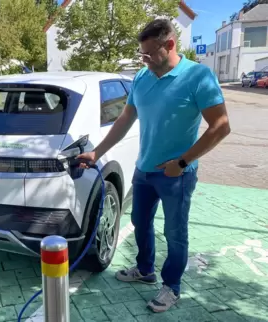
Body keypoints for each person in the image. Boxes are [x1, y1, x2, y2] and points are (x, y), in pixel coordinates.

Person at [76, 19, 230, 313]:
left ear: (169, 45)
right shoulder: (142, 79)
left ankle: (171, 286)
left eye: (148, 54)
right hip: (144, 171)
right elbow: (124, 120)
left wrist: (183, 162)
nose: (143, 60)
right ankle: (145, 269)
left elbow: (221, 126)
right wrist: (97, 153)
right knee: (139, 222)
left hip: (177, 175)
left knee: (175, 233)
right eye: (141, 54)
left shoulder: (199, 77)